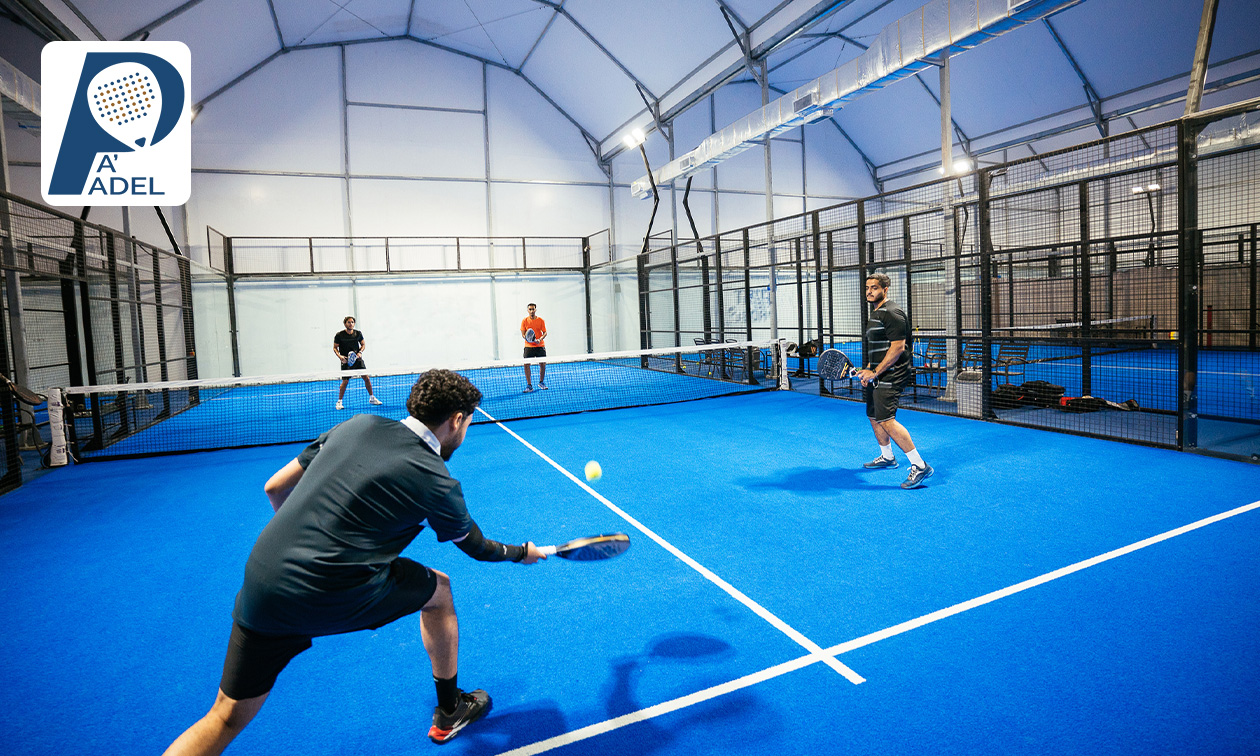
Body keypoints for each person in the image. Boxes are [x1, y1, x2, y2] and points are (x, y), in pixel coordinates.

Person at [162, 370, 547, 755]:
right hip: (330, 592)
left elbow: (275, 487)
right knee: (439, 591)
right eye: (468, 423)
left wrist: (305, 542)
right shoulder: (437, 482)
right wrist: (522, 551)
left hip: (264, 579)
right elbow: (478, 547)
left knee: (225, 717)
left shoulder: (356, 425)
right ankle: (450, 710)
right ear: (457, 420)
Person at [856, 273, 934, 489]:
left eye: (874, 288)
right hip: (879, 373)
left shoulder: (892, 313)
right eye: (867, 288)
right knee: (873, 415)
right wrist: (869, 371)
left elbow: (898, 348)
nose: (870, 291)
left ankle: (920, 466)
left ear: (885, 289)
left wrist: (876, 373)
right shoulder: (876, 313)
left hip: (892, 374)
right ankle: (888, 457)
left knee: (887, 419)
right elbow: (879, 349)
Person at [333, 316, 383, 410]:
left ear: (354, 323)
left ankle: (372, 398)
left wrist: (360, 352)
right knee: (345, 381)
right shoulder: (339, 335)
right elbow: (335, 348)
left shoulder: (358, 333)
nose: (351, 323)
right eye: (348, 322)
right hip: (346, 361)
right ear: (345, 324)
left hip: (357, 359)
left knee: (366, 378)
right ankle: (339, 402)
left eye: (352, 322)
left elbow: (363, 344)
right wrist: (340, 357)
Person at [520, 303, 548, 392]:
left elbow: (545, 332)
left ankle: (541, 382)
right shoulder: (524, 321)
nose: (532, 311)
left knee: (542, 364)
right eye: (530, 309)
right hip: (529, 346)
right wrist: (529, 340)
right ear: (528, 310)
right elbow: (523, 334)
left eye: (533, 309)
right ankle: (529, 385)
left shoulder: (541, 320)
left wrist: (539, 339)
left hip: (540, 346)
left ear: (535, 310)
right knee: (526, 365)